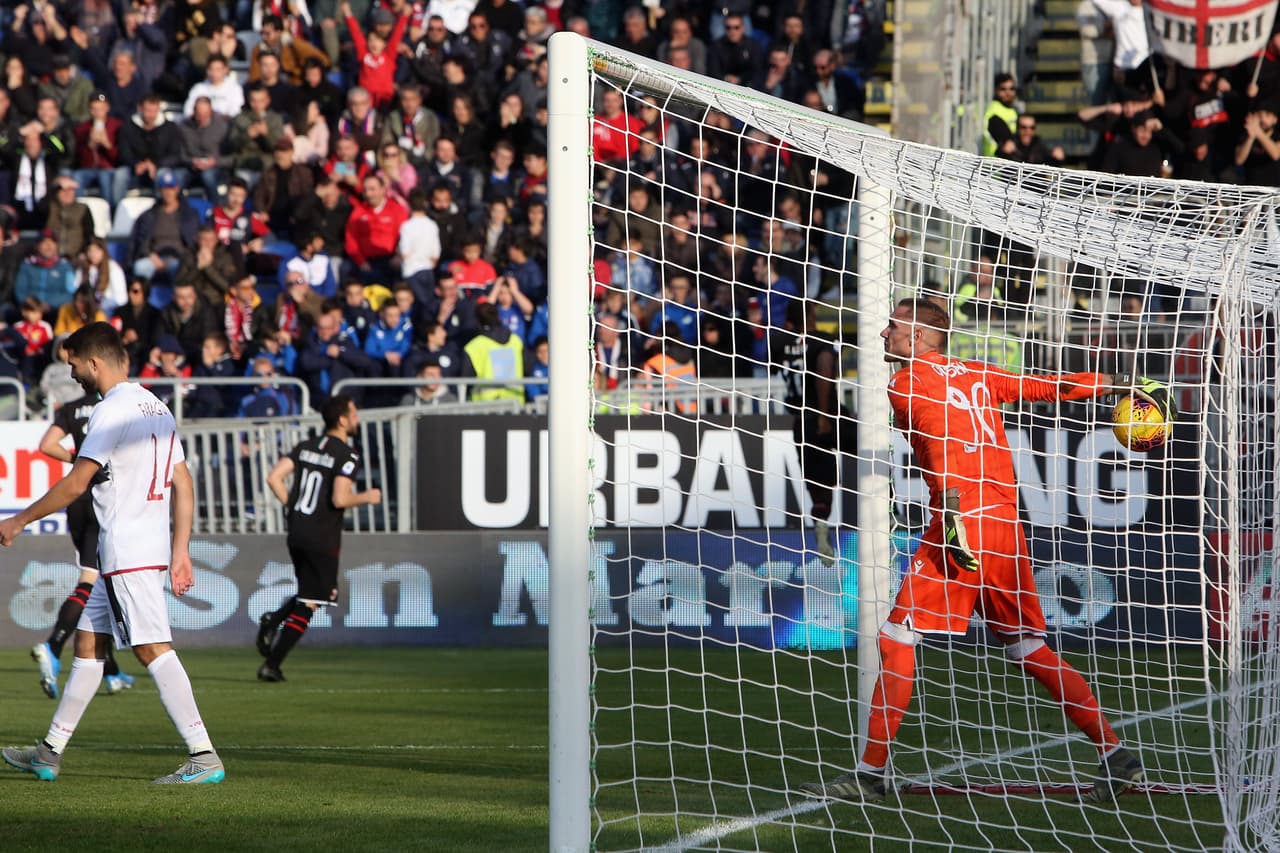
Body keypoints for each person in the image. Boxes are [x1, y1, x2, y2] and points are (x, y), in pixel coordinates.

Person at [800, 299, 1167, 804]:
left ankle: (869, 774)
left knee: (895, 638)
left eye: (893, 325)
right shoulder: (980, 373)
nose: (883, 333)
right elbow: (1051, 386)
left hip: (961, 520)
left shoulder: (905, 385)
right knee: (1027, 647)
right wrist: (1118, 385)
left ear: (919, 336)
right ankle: (1114, 753)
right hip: (1006, 525)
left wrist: (950, 517)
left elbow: (944, 442)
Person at [0, 322, 224, 785]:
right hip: (133, 549)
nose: (73, 373)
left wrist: (19, 520)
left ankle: (203, 754)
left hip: (128, 549)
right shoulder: (156, 405)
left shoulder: (111, 411)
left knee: (152, 648)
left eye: (74, 364)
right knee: (88, 644)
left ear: (94, 362)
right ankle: (49, 751)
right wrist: (180, 549)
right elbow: (183, 482)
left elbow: (78, 482)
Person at [257, 394, 382, 681]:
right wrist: (368, 497)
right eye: (354, 414)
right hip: (322, 535)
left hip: (297, 529)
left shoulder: (305, 446)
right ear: (342, 420)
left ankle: (272, 621)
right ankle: (271, 664)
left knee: (308, 592)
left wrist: (293, 505)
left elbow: (273, 477)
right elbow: (339, 499)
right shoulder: (347, 455)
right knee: (314, 601)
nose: (357, 419)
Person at [30, 393, 136, 699]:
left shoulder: (73, 408)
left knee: (96, 583)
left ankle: (112, 671)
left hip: (77, 501)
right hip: (102, 497)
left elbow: (47, 445)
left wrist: (77, 461)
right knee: (93, 582)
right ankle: (52, 645)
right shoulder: (118, 407)